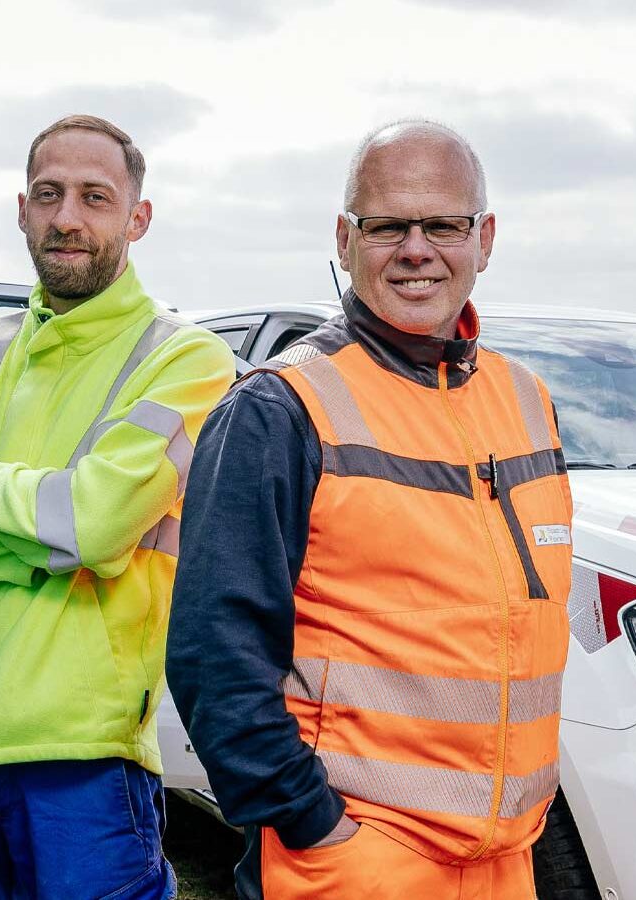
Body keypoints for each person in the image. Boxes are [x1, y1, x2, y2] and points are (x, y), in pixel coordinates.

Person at [166, 120, 574, 900]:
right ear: (345, 241)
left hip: (507, 864)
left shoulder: (529, 401)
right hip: (357, 863)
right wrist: (311, 826)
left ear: (484, 238)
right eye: (388, 226)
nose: (417, 249)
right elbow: (214, 655)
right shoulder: (281, 408)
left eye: (444, 224)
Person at [0, 115, 236, 899]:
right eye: (49, 194)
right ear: (23, 209)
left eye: (95, 197)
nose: (68, 216)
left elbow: (96, 522)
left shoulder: (185, 357)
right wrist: (56, 540)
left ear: (138, 218)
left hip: (82, 760)